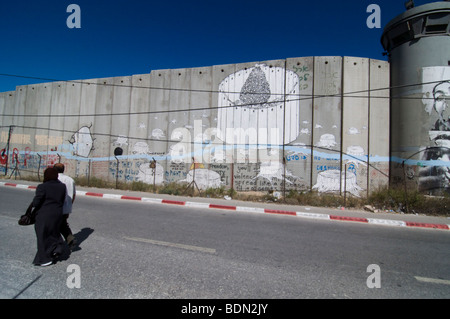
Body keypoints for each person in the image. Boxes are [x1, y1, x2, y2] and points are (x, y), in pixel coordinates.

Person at [32, 167, 67, 266]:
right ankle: (56, 249)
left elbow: (36, 203)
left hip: (44, 215)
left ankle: (45, 259)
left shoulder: (42, 187)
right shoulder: (62, 186)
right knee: (54, 233)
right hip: (57, 214)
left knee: (42, 236)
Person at [53, 163, 77, 249]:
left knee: (54, 225)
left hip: (55, 207)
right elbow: (73, 195)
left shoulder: (54, 179)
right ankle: (70, 239)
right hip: (66, 207)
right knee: (63, 224)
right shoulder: (70, 180)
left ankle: (57, 245)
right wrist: (69, 205)